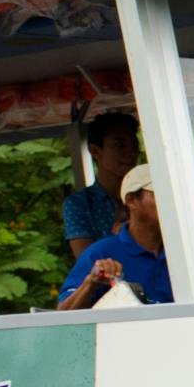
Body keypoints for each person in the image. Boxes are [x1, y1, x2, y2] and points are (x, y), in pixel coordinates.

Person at [56, 164, 173, 309]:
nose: (171, 202)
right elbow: (64, 313)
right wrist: (91, 282)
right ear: (131, 200)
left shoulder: (186, 251)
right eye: (159, 195)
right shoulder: (100, 252)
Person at [62, 111, 141, 258]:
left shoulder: (150, 195)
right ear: (95, 151)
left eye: (134, 144)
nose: (130, 152)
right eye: (119, 145)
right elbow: (87, 262)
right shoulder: (80, 204)